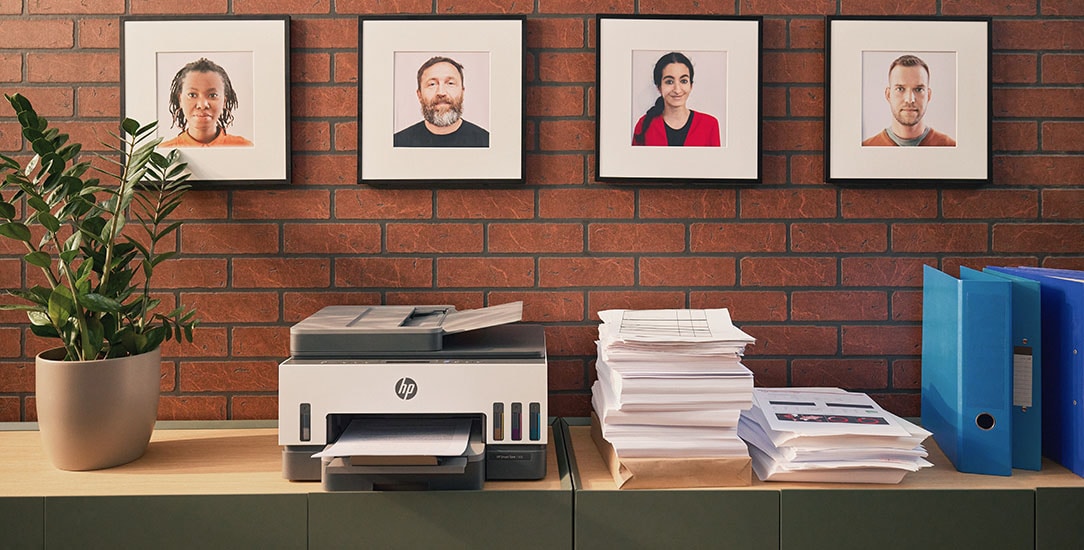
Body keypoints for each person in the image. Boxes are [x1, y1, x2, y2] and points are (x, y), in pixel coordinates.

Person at [393, 56, 489, 148]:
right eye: (432, 84)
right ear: (419, 95)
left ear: (462, 92)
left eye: (450, 83)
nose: (441, 92)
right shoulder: (398, 142)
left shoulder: (486, 141)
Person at [863, 54, 956, 147]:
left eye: (919, 89)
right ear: (888, 95)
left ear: (929, 95)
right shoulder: (867, 147)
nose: (910, 99)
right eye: (900, 89)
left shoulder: (949, 146)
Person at [632, 52, 720, 147]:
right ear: (659, 87)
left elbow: (717, 162)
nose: (677, 90)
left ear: (691, 86)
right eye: (669, 82)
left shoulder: (709, 125)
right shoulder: (644, 124)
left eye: (683, 81)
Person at [162, 57, 253, 148]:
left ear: (224, 101)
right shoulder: (163, 151)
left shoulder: (244, 147)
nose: (202, 105)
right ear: (180, 100)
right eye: (192, 95)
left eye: (212, 95)